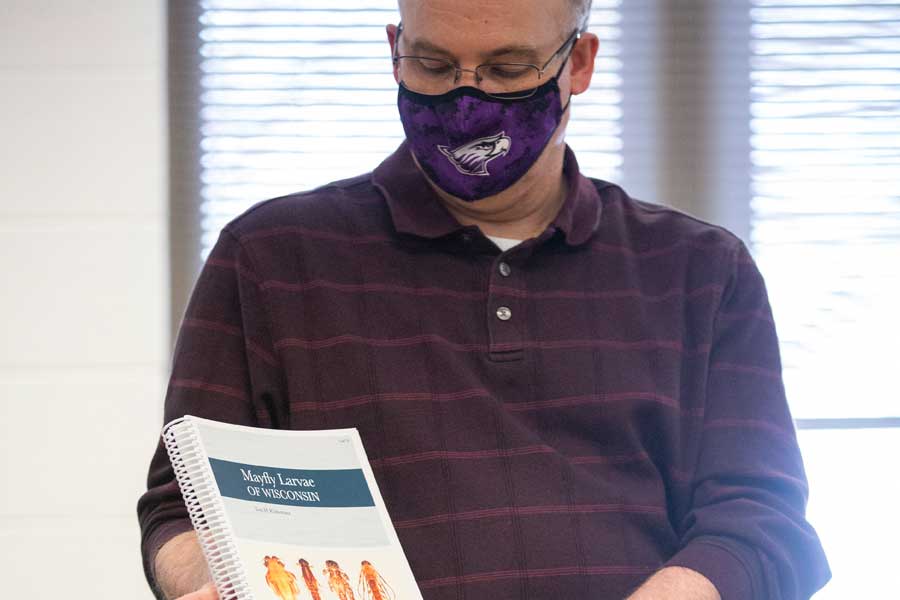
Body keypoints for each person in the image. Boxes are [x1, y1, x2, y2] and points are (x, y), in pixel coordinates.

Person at [137, 1, 832, 599]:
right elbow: (182, 509)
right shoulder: (270, 259)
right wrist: (210, 580)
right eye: (434, 66)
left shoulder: (701, 271)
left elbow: (759, 522)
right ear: (394, 51)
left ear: (579, 64)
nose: (466, 104)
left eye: (507, 69)